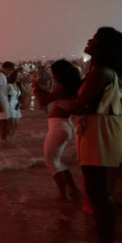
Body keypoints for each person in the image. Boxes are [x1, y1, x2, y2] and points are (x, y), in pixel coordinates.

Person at [68, 27, 122, 243]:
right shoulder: (103, 72)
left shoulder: (100, 73)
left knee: (99, 191)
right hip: (100, 129)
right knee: (97, 190)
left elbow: (80, 103)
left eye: (94, 39)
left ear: (103, 47)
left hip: (98, 131)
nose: (89, 41)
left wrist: (61, 106)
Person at [32, 60, 82, 201]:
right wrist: (40, 90)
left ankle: (63, 195)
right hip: (64, 125)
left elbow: (44, 101)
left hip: (59, 126)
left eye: (54, 73)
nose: (52, 76)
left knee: (50, 161)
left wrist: (34, 89)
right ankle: (73, 189)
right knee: (56, 160)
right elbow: (52, 96)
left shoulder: (62, 87)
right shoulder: (71, 86)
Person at [0, 62, 12, 141]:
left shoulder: (2, 76)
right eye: (9, 70)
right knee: (4, 121)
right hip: (1, 101)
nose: (10, 72)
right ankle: (3, 139)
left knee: (0, 121)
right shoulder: (0, 76)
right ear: (6, 68)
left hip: (2, 101)